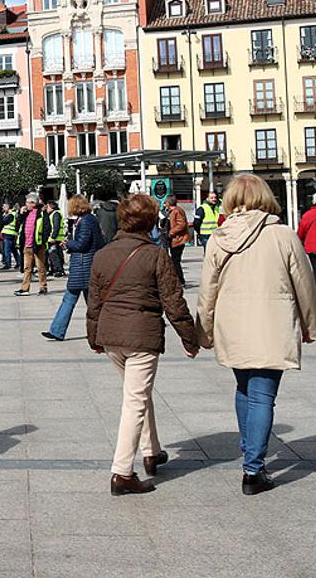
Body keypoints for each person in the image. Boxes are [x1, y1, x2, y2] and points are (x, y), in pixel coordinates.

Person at [196, 173, 316, 495]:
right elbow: (305, 285)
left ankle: (249, 451)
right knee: (263, 395)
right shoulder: (284, 235)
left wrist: (204, 331)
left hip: (233, 322)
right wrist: (310, 326)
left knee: (243, 388)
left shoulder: (218, 237)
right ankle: (253, 469)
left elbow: (207, 290)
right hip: (272, 322)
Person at [88, 193, 199, 495]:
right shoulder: (155, 255)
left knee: (137, 391)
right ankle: (122, 472)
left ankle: (152, 451)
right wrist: (190, 338)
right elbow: (174, 301)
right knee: (135, 400)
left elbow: (94, 301)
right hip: (141, 336)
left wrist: (93, 337)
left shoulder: (103, 254)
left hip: (111, 337)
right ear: (150, 221)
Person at [43, 196, 104, 341]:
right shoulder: (89, 219)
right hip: (85, 265)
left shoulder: (86, 221)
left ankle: (58, 330)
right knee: (82, 300)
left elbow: (82, 244)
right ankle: (57, 330)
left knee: (84, 301)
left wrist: (68, 243)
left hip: (83, 265)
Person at [14, 197, 49, 296]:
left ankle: (43, 287)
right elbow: (17, 226)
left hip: (38, 245)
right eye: (26, 202)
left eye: (28, 203)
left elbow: (47, 228)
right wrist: (20, 214)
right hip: (26, 245)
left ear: (34, 204)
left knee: (40, 267)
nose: (26, 205)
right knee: (27, 268)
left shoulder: (41, 213)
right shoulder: (25, 214)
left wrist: (43, 241)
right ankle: (25, 288)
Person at [164, 195, 190, 287]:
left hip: (178, 239)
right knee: (174, 260)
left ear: (168, 203)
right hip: (173, 239)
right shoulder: (171, 211)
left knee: (175, 261)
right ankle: (177, 280)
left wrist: (171, 233)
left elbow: (181, 224)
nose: (164, 204)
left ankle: (180, 280)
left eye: (165, 202)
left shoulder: (177, 211)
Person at [45, 201, 66, 277]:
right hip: (57, 238)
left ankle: (58, 270)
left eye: (47, 207)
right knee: (55, 254)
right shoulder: (54, 213)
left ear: (51, 207)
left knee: (54, 255)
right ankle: (54, 269)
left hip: (55, 238)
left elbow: (56, 226)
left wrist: (53, 237)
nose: (46, 209)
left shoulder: (56, 214)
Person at [0, 202, 19, 271]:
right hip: (11, 234)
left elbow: (3, 222)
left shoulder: (11, 215)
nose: (3, 208)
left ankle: (8, 264)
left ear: (8, 207)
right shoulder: (12, 214)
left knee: (7, 250)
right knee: (13, 249)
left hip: (8, 234)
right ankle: (19, 262)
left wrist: (3, 216)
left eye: (4, 207)